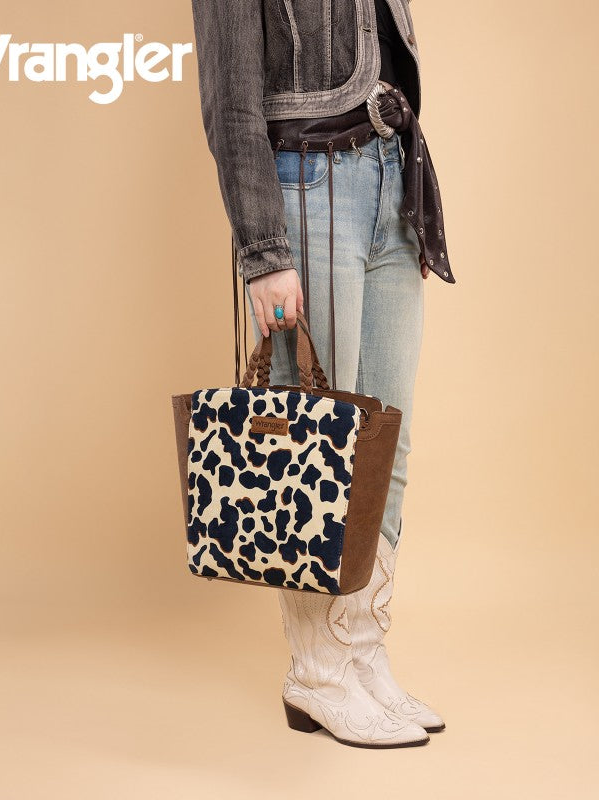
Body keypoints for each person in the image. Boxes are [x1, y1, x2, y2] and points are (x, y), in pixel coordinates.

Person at [190, 0, 455, 749]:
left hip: (390, 173)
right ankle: (317, 671)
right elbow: (230, 100)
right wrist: (264, 252)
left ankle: (361, 653)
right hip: (306, 183)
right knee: (317, 447)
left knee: (384, 444)